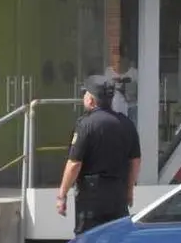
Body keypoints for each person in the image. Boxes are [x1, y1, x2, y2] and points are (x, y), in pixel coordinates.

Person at [56, 74, 141, 234]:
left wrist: (62, 194)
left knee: (88, 242)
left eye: (85, 94)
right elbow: (135, 161)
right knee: (117, 239)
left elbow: (74, 164)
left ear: (91, 100)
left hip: (92, 197)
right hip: (118, 193)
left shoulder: (85, 125)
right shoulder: (126, 124)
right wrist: (129, 191)